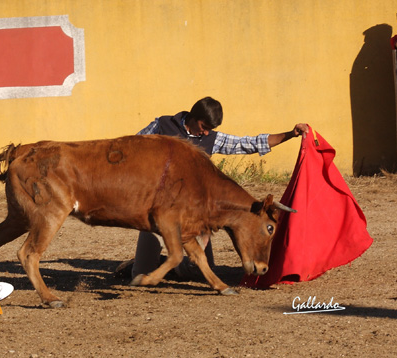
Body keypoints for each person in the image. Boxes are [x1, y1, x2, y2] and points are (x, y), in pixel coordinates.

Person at [116, 96, 308, 281]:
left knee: (195, 271)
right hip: (157, 208)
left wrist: (291, 134)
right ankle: (141, 264)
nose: (207, 133)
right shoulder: (163, 125)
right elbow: (132, 147)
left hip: (192, 211)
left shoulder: (211, 138)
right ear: (193, 118)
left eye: (210, 129)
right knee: (140, 274)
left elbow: (248, 144)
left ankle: (167, 263)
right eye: (204, 127)